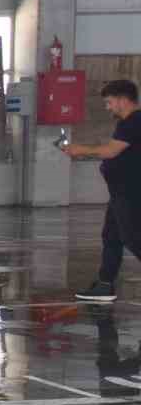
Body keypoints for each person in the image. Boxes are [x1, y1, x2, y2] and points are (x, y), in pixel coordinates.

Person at [60, 79, 141, 302]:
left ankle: (106, 284)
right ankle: (105, 285)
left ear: (123, 100)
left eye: (109, 102)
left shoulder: (134, 121)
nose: (108, 107)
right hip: (119, 193)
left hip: (131, 193)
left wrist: (80, 149)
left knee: (133, 237)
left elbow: (111, 151)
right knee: (112, 237)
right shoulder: (127, 123)